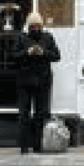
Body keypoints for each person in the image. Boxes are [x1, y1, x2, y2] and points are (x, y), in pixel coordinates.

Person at [13, 10, 60, 153]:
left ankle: (37, 144)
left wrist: (43, 52)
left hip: (42, 81)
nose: (36, 29)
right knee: (24, 114)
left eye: (38, 26)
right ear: (28, 26)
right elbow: (14, 56)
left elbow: (57, 56)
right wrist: (27, 53)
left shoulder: (48, 38)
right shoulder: (21, 38)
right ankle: (24, 145)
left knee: (41, 113)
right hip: (25, 81)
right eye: (33, 26)